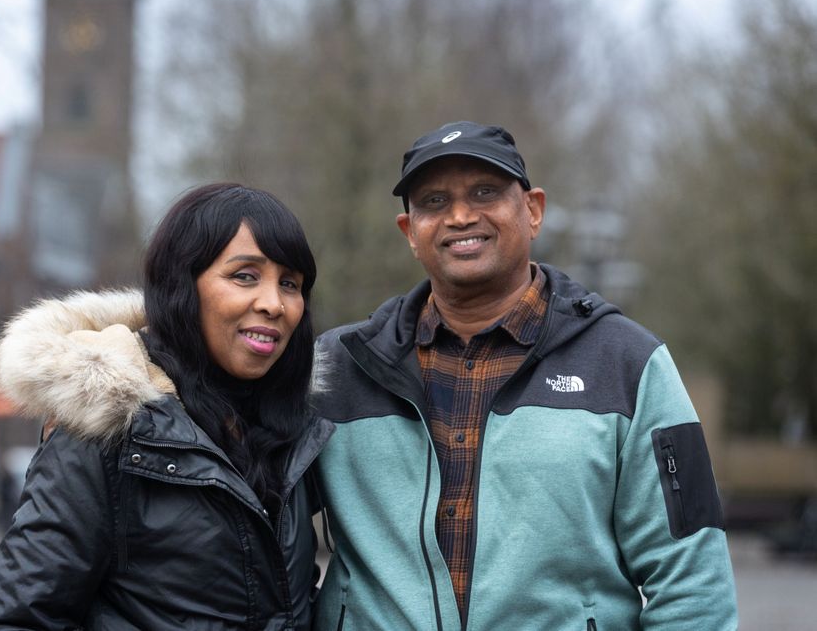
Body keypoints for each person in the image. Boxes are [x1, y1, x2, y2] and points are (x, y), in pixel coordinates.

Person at [310, 121, 737, 630]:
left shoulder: (629, 363)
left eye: (485, 192)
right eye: (434, 201)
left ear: (533, 210)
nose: (461, 216)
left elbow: (692, 583)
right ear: (410, 232)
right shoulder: (336, 367)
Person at [0, 183, 332, 630]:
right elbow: (15, 619)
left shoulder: (294, 433)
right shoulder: (105, 428)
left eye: (290, 284)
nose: (273, 303)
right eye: (245, 276)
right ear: (182, 284)